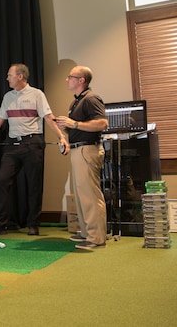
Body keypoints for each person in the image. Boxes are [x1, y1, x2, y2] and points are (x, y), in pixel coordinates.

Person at [0, 64, 69, 236]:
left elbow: (48, 118)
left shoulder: (37, 94)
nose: (7, 78)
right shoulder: (8, 97)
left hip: (33, 143)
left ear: (20, 76)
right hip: (12, 145)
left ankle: (33, 224)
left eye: (10, 75)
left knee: (34, 186)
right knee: (1, 181)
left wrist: (61, 136)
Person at [56, 66, 108, 250]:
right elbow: (78, 127)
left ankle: (96, 238)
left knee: (90, 195)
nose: (67, 79)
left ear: (81, 80)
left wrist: (74, 123)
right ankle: (87, 233)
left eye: (70, 77)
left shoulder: (91, 98)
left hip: (88, 150)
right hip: (78, 150)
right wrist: (67, 129)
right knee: (80, 195)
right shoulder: (76, 102)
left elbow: (102, 123)